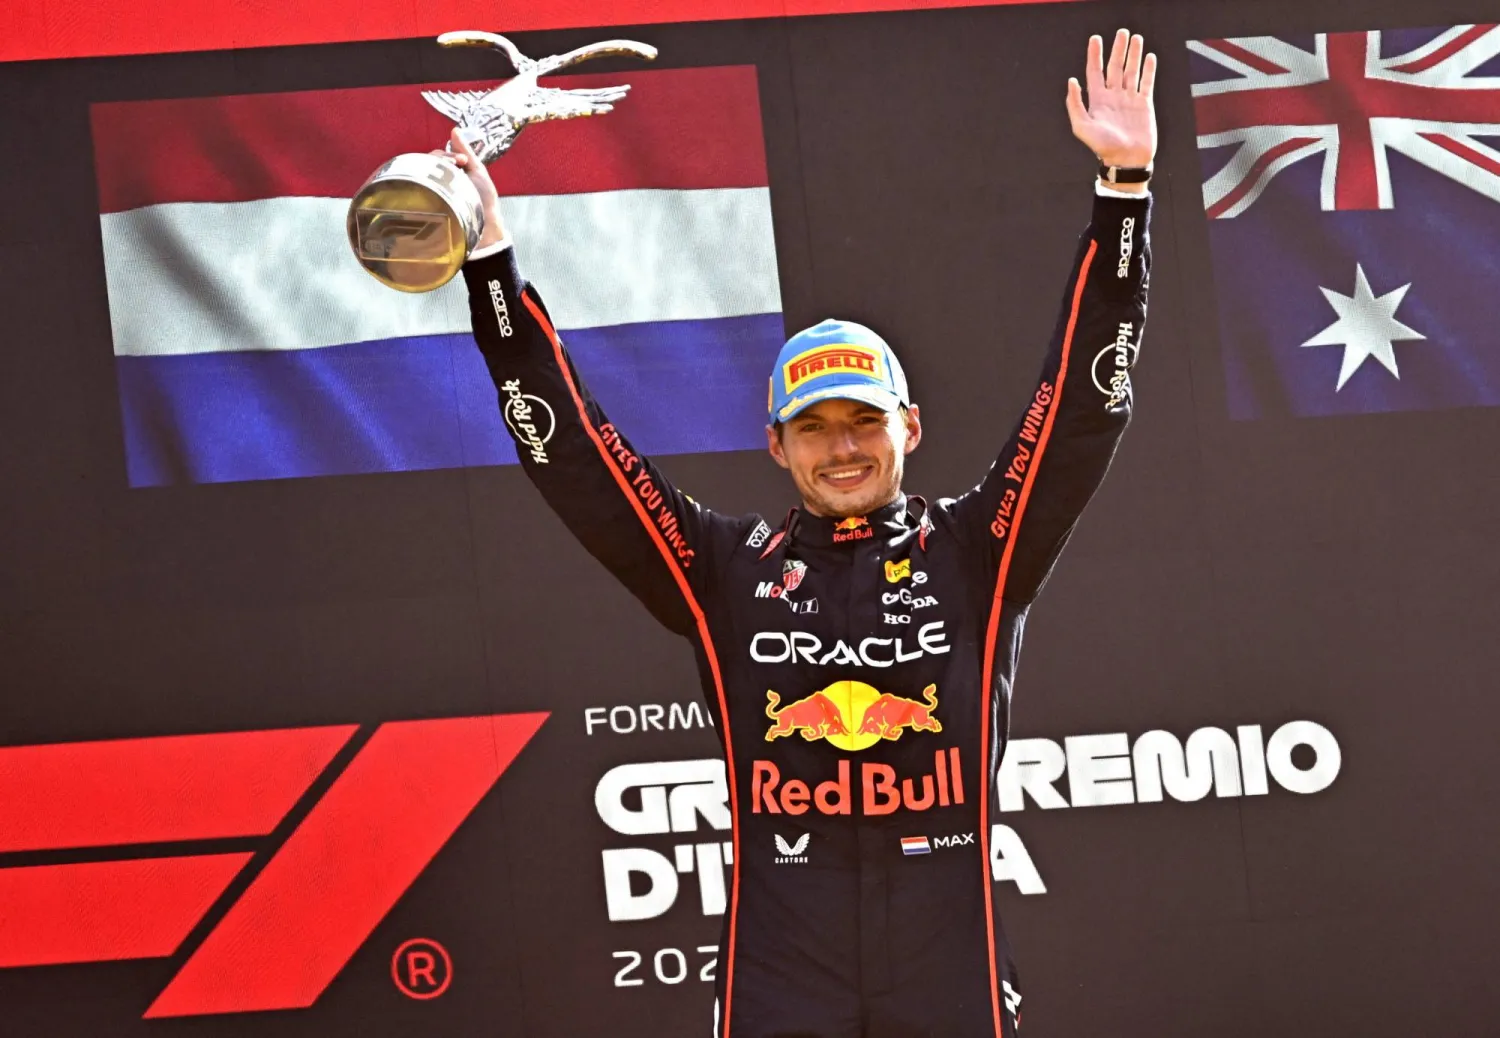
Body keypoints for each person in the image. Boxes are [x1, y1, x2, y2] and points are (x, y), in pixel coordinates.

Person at [443, 27, 1156, 1038]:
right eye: (815, 430)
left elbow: (1087, 405)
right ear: (775, 446)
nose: (844, 449)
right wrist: (492, 275)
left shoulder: (979, 551)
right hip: (781, 972)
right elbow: (580, 462)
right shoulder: (727, 570)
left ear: (909, 427)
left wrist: (1125, 192)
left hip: (949, 967)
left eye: (865, 421)